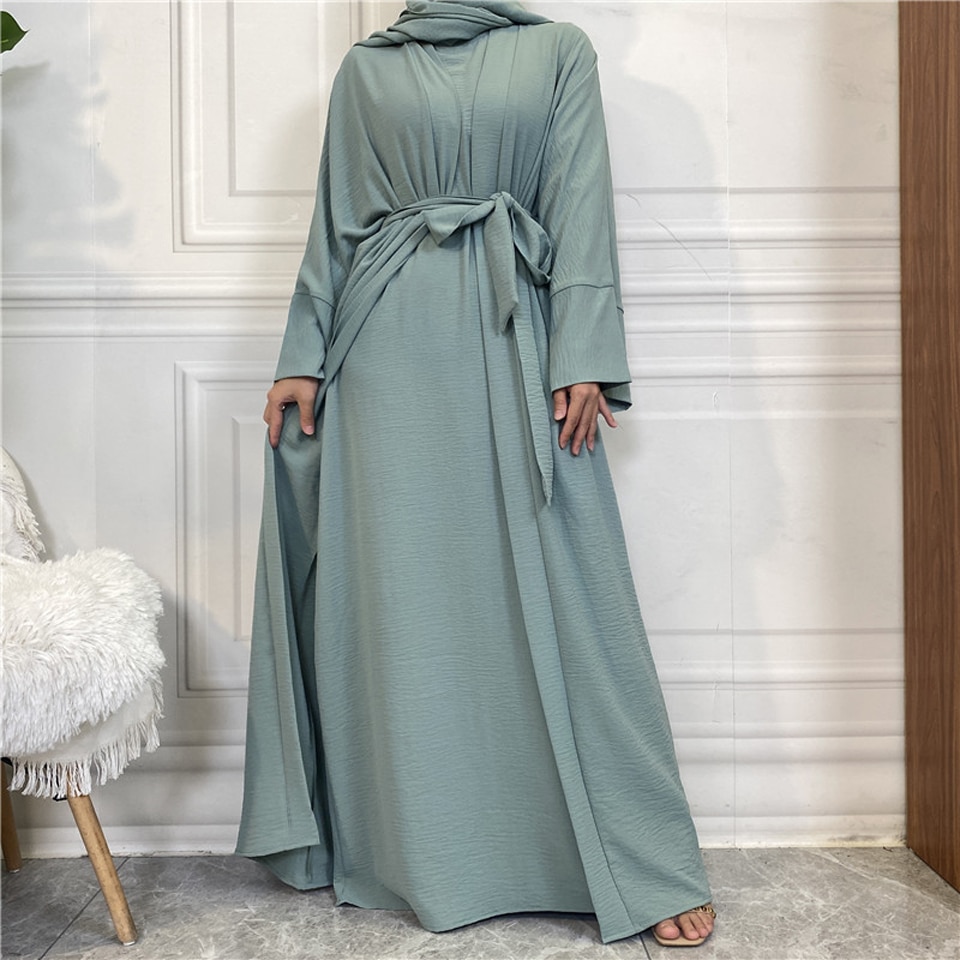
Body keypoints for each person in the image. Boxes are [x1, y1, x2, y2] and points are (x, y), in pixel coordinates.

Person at [236, 0, 715, 948]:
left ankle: (636, 858)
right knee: (406, 608)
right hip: (384, 345)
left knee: (571, 592)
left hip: (511, 331)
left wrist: (582, 351)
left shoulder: (558, 51)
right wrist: (302, 355)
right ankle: (426, 854)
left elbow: (580, 202)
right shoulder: (367, 68)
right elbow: (337, 222)